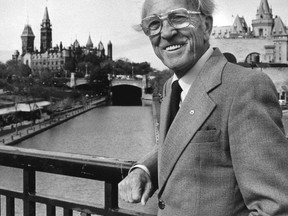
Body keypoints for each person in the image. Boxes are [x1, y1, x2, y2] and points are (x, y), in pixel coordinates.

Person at [118, 0, 288, 215]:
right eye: (154, 24)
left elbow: (276, 208)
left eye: (178, 18)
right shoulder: (171, 87)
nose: (167, 32)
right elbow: (180, 141)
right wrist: (144, 170)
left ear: (206, 26)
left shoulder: (246, 87)